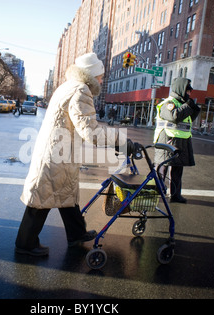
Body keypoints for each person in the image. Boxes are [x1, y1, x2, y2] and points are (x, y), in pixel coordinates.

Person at [15, 53, 135, 256]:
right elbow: (91, 131)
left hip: (59, 151)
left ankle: (76, 234)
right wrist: (121, 141)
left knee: (65, 193)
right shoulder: (81, 90)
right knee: (43, 197)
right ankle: (25, 244)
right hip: (56, 154)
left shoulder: (68, 86)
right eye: (100, 75)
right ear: (91, 74)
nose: (101, 80)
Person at [153, 78, 200, 204]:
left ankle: (175, 195)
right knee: (162, 169)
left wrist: (193, 108)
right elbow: (174, 117)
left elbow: (189, 118)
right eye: (187, 90)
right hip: (167, 139)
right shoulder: (168, 103)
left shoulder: (182, 104)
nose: (189, 93)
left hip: (181, 141)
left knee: (177, 170)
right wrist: (188, 105)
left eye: (190, 91)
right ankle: (156, 193)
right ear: (180, 89)